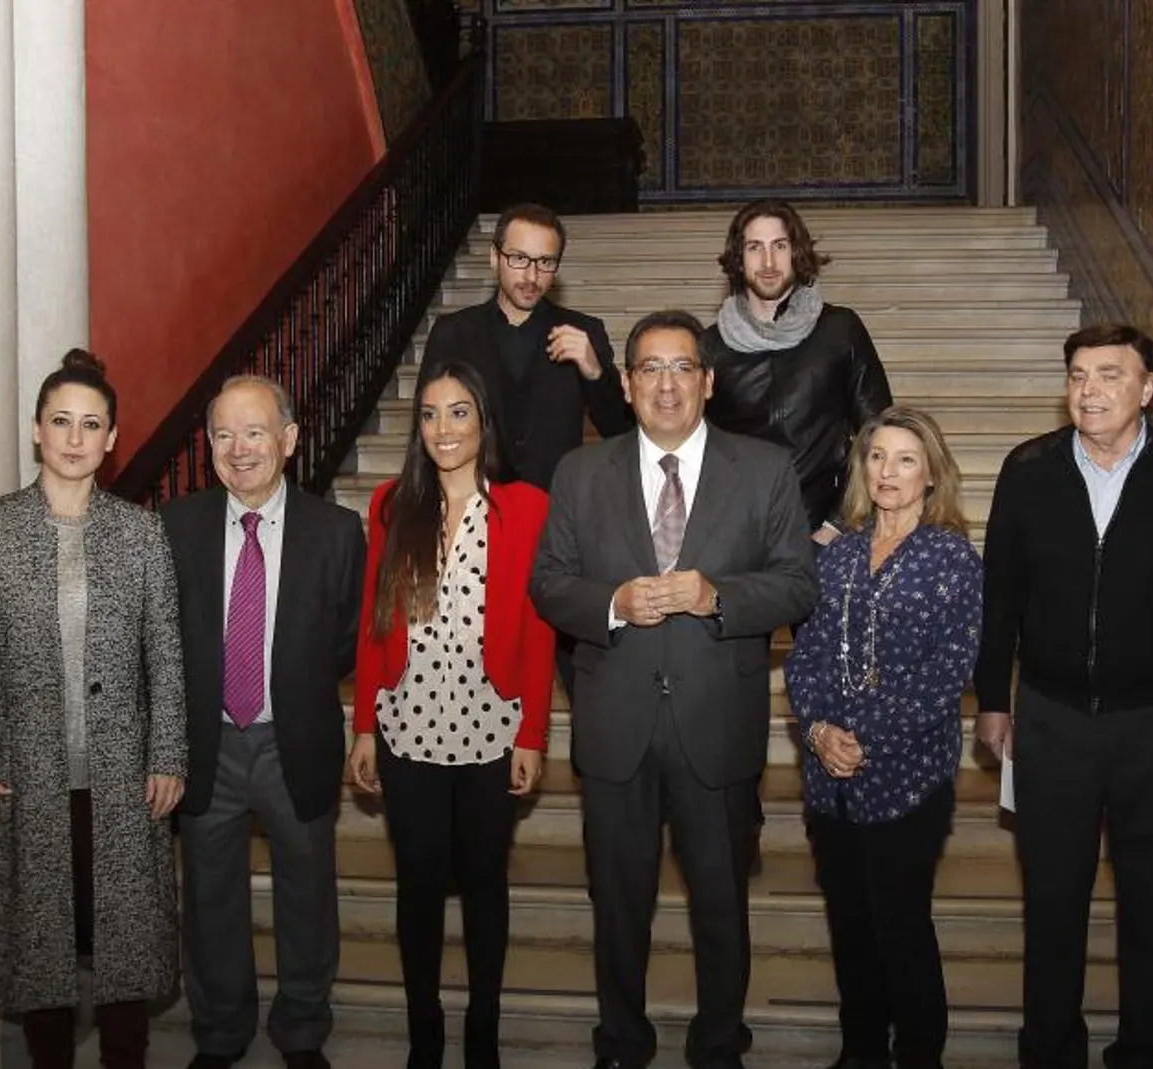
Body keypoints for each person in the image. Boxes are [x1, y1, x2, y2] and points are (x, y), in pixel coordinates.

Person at [530, 310, 818, 1069]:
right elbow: (549, 584)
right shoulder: (579, 472)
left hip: (716, 724)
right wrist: (613, 605)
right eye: (649, 368)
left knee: (720, 905)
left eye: (682, 367)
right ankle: (621, 1040)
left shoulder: (763, 468)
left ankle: (720, 1041)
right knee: (618, 906)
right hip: (615, 725)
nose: (666, 383)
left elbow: (798, 584)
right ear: (624, 385)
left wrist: (717, 595)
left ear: (709, 380)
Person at [972, 324, 1153, 1069]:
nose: (1089, 390)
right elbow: (999, 598)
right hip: (1053, 717)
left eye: (1108, 374)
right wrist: (993, 701)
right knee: (1053, 900)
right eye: (1077, 375)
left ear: (1148, 387)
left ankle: (1148, 1049)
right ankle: (1050, 1050)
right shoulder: (1028, 469)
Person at [0, 349, 186, 1069]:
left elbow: (165, 654)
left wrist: (168, 753)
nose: (76, 438)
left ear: (112, 439)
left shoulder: (141, 532)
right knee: (38, 949)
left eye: (92, 425)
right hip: (20, 779)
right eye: (61, 422)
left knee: (124, 947)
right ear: (37, 431)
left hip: (120, 779)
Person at [347, 358, 555, 1069]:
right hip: (407, 728)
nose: (443, 428)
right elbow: (375, 625)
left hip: (492, 728)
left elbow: (537, 627)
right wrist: (364, 725)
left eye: (458, 411)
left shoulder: (526, 507)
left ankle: (484, 1033)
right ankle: (425, 1031)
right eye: (430, 414)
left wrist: (533, 731)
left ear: (483, 420)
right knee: (419, 886)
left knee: (487, 886)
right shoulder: (389, 505)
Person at [159, 375, 366, 1069]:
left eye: (254, 431)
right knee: (209, 897)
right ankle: (220, 1032)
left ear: (289, 439)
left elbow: (345, 639)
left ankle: (302, 1029)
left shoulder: (337, 531)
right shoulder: (175, 527)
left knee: (307, 894)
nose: (238, 448)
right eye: (223, 433)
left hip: (293, 739)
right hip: (206, 744)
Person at [784, 405, 982, 1069]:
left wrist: (860, 735)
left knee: (900, 924)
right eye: (877, 457)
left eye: (904, 459)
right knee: (850, 922)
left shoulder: (952, 557)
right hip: (827, 778)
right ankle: (861, 1047)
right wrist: (815, 729)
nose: (888, 471)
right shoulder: (836, 553)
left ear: (931, 474)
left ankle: (920, 1052)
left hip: (907, 777)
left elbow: (945, 674)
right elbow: (803, 653)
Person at [700, 199, 893, 540]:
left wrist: (835, 525)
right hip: (741, 535)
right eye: (755, 247)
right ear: (739, 259)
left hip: (829, 532)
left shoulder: (839, 330)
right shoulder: (711, 346)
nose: (769, 261)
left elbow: (879, 433)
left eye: (780, 246)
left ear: (797, 252)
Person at [420, 201, 634, 492]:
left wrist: (595, 373)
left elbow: (619, 431)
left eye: (545, 262)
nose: (532, 276)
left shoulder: (585, 332)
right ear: (495, 257)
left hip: (556, 512)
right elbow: (425, 430)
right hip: (474, 506)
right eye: (519, 258)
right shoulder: (452, 334)